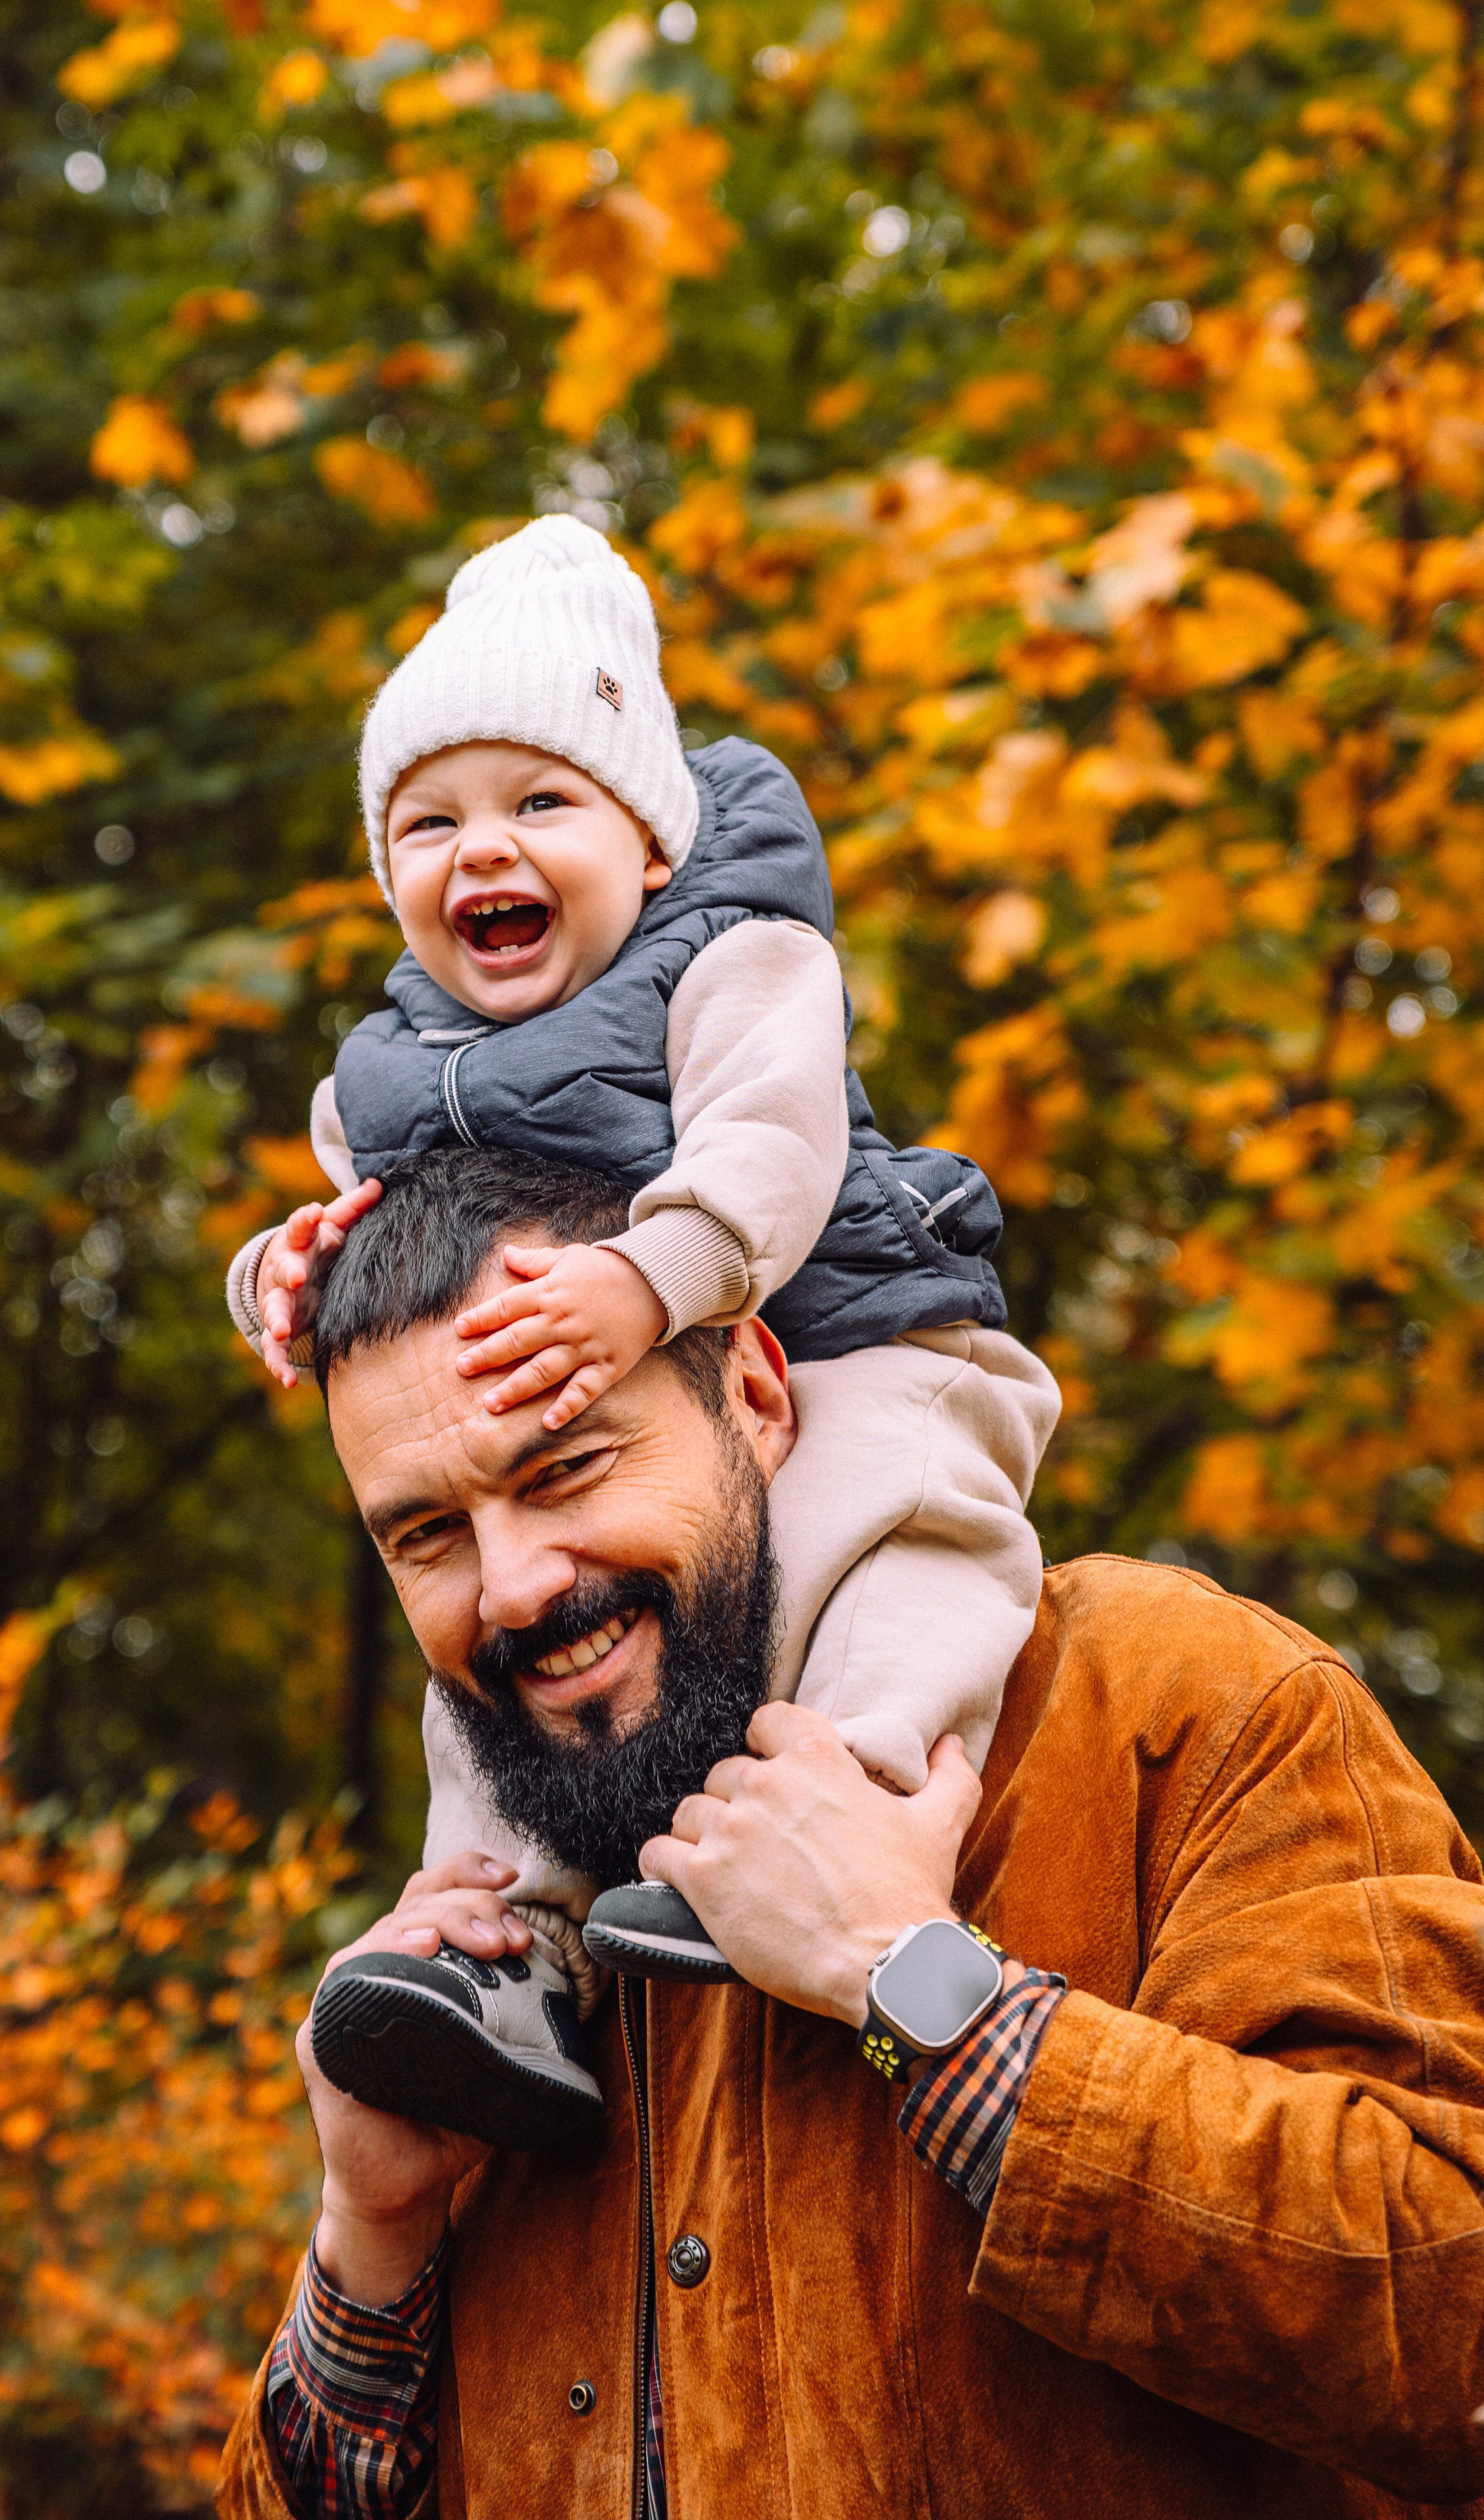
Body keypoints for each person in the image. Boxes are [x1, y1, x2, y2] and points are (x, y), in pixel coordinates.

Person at [217, 1149, 1484, 2520]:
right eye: (427, 1534)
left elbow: (1453, 2327)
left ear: (755, 1396)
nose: (513, 1586)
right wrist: (373, 2237)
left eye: (569, 1463)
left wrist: (920, 1988)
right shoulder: (484, 1997)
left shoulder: (1174, 1701)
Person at [226, 516, 1058, 2141]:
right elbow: (353, 1215)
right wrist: (282, 1268)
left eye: (540, 803)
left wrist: (646, 1279)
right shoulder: (394, 1061)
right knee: (478, 1669)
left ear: (651, 846)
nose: (483, 850)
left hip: (856, 1324)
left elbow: (772, 1146)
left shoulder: (733, 955)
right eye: (429, 822)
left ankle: (851, 1794)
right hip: (650, 1362)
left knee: (895, 1535)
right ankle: (507, 1949)